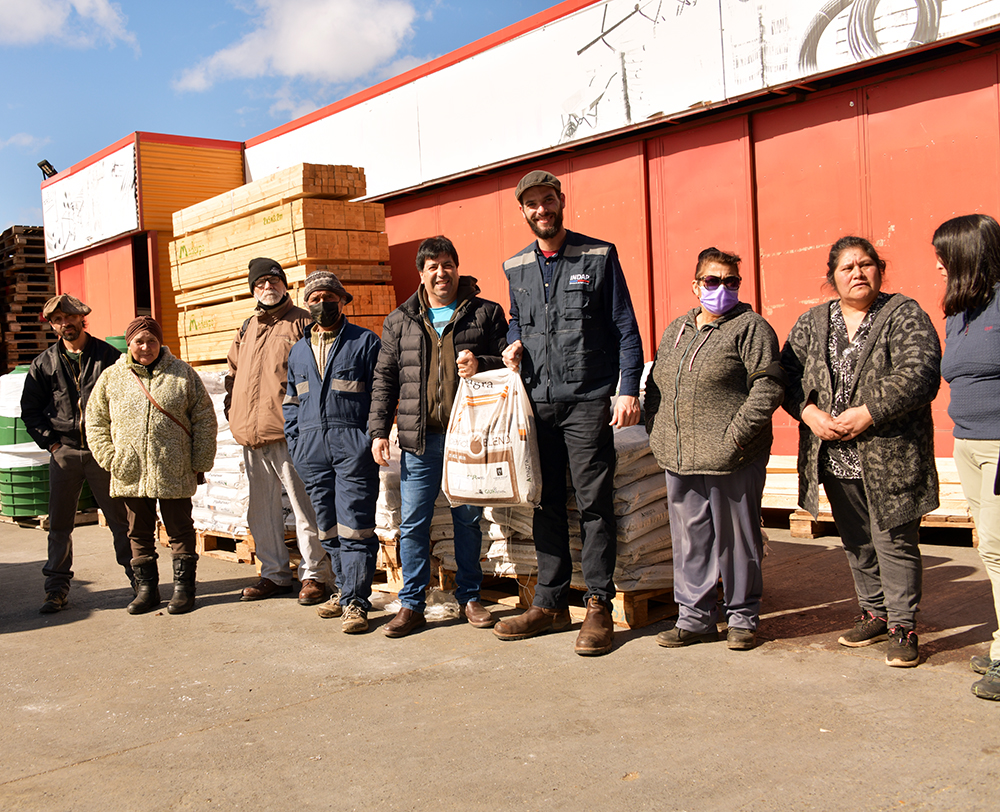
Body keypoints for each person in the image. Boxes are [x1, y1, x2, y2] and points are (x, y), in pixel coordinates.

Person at [495, 170, 643, 657]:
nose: (541, 210)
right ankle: (552, 603)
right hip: (536, 403)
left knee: (595, 501)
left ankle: (599, 603)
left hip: (586, 401)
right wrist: (511, 341)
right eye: (532, 204)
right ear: (523, 211)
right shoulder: (515, 265)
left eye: (548, 200)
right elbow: (519, 318)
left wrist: (626, 390)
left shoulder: (598, 255)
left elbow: (625, 327)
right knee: (544, 502)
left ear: (561, 201)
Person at [782, 236, 940, 668]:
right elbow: (787, 374)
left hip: (890, 455)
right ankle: (873, 612)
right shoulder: (812, 322)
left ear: (880, 270)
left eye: (866, 264)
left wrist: (869, 413)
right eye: (847, 267)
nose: (857, 273)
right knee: (856, 538)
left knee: (895, 539)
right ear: (831, 277)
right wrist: (808, 412)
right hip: (832, 453)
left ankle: (904, 627)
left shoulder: (903, 314)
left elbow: (921, 372)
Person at [645, 248, 784, 651]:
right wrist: (657, 432)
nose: (722, 288)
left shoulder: (751, 328)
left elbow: (768, 387)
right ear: (695, 285)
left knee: (737, 540)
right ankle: (695, 618)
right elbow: (657, 382)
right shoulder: (678, 330)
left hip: (733, 457)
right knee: (690, 539)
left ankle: (742, 618)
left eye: (731, 281)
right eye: (712, 280)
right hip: (680, 455)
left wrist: (736, 437)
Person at [370, 235, 508, 638]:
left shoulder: (485, 313)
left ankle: (469, 597)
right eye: (432, 266)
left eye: (447, 264)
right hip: (420, 440)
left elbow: (512, 359)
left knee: (467, 519)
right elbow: (385, 378)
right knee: (414, 523)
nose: (441, 273)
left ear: (457, 268)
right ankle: (412, 603)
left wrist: (482, 362)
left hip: (469, 437)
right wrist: (379, 429)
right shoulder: (400, 320)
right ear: (421, 272)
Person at [86, 317, 217, 614]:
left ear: (161, 343)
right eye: (139, 342)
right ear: (129, 344)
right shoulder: (112, 377)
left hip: (174, 467)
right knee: (138, 532)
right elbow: (95, 421)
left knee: (180, 529)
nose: (146, 347)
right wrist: (110, 457)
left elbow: (205, 419)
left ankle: (184, 591)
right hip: (130, 469)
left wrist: (199, 462)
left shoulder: (183, 374)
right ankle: (146, 590)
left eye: (152, 341)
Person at [225, 257, 334, 606]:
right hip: (251, 436)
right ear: (253, 289)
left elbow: (318, 374)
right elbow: (232, 375)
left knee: (305, 508)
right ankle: (274, 573)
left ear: (285, 285)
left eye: (274, 281)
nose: (268, 287)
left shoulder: (302, 321)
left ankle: (316, 575)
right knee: (262, 511)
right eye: (260, 284)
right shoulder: (247, 327)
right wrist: (234, 412)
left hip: (291, 434)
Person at [20, 293, 133, 613]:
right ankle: (56, 589)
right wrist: (52, 445)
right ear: (52, 325)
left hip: (102, 453)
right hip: (65, 452)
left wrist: (115, 444)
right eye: (57, 320)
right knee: (59, 525)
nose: (64, 324)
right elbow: (30, 410)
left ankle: (139, 580)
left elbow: (126, 402)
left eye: (69, 317)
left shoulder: (109, 357)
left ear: (82, 318)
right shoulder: (44, 364)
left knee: (121, 521)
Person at [284, 271, 382, 634]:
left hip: (351, 446)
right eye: (314, 298)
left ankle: (357, 602)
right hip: (311, 450)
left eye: (329, 296)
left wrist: (371, 437)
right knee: (328, 527)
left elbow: (380, 395)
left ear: (342, 301)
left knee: (355, 525)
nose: (322, 303)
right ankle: (343, 591)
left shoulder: (364, 341)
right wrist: (295, 443)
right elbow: (291, 401)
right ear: (306, 305)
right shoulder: (298, 350)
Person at [934, 213, 1000, 699]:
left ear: (967, 257)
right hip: (968, 444)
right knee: (989, 550)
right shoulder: (960, 312)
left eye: (944, 256)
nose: (938, 265)